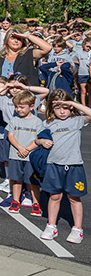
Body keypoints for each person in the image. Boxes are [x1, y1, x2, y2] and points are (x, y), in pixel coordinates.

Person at [38, 89, 88, 244]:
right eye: (58, 107)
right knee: (54, 196)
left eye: (65, 107)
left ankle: (77, 228)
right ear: (51, 108)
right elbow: (38, 138)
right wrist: (42, 142)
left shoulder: (76, 120)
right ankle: (51, 226)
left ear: (70, 107)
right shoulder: (47, 123)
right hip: (53, 165)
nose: (62, 111)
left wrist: (73, 102)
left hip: (74, 166)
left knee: (74, 197)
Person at [4, 90, 44, 215]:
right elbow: (10, 136)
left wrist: (27, 149)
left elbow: (38, 139)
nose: (18, 109)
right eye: (16, 107)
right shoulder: (14, 120)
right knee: (16, 180)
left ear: (31, 106)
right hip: (16, 154)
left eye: (22, 107)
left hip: (30, 157)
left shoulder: (37, 122)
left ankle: (36, 203)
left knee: (33, 181)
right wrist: (20, 148)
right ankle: (16, 201)